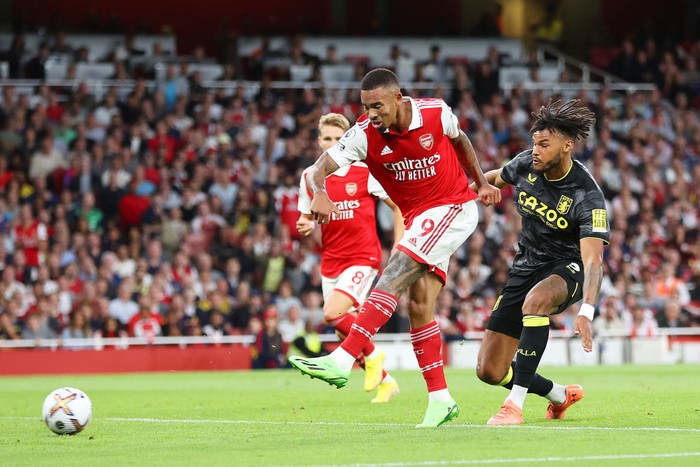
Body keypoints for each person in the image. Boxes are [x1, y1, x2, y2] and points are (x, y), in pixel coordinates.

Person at [289, 68, 500, 427]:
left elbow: (461, 140)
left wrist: (480, 182)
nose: (372, 113)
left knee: (397, 268)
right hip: (421, 219)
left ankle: (343, 359)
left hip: (454, 207)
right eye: (365, 106)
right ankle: (440, 400)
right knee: (418, 307)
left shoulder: (435, 112)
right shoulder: (364, 134)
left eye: (377, 105)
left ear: (398, 99)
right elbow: (317, 170)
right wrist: (321, 193)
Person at [473, 99, 608, 425]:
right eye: (534, 143)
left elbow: (594, 261)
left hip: (568, 267)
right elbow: (495, 178)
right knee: (490, 371)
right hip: (526, 265)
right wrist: (475, 189)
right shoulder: (525, 165)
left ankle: (513, 407)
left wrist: (586, 311)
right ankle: (560, 395)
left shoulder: (587, 196)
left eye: (544, 145)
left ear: (567, 146)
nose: (536, 150)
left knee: (537, 302)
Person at [296, 112, 404, 403]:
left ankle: (374, 354)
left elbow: (397, 205)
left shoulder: (364, 171)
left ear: (346, 140)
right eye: (327, 138)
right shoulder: (310, 176)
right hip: (331, 262)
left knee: (331, 313)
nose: (332, 143)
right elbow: (306, 217)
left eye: (337, 138)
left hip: (363, 257)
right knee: (344, 328)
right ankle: (385, 380)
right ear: (319, 141)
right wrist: (305, 223)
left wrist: (398, 244)